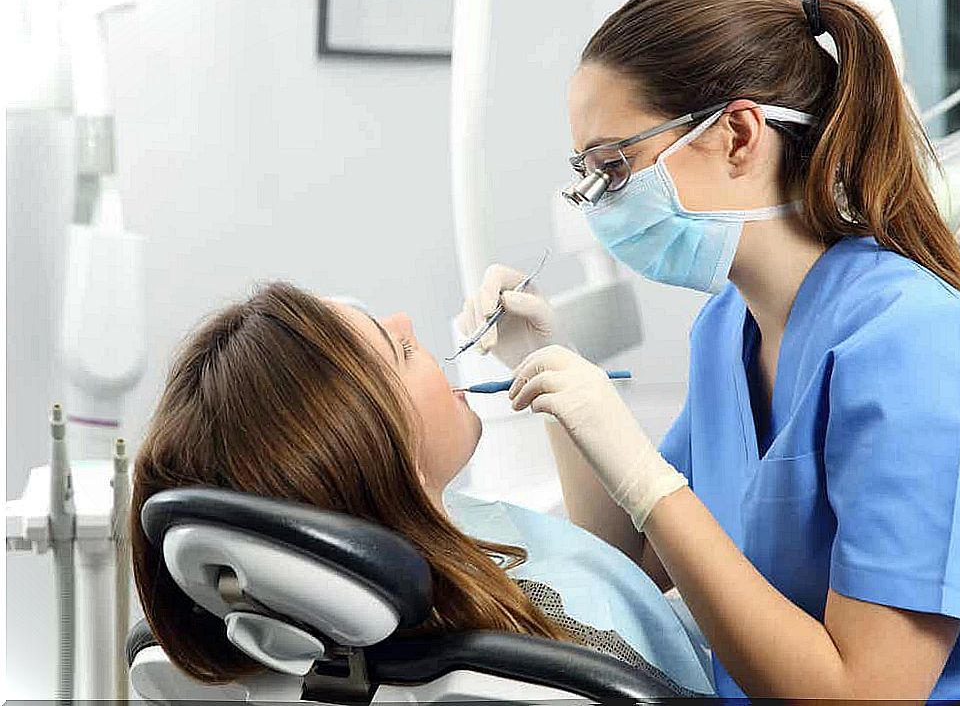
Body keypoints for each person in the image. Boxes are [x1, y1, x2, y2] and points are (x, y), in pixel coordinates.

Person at [457, 0, 960, 700]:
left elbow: (866, 694)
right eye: (587, 172)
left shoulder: (919, 349)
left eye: (614, 166)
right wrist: (549, 366)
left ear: (738, 135)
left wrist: (647, 477)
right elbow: (630, 554)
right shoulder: (728, 330)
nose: (597, 201)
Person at [129, 281, 713, 695]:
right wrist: (646, 483)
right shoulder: (563, 646)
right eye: (400, 351)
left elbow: (597, 566)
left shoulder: (355, 599)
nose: (408, 321)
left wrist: (544, 367)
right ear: (390, 460)